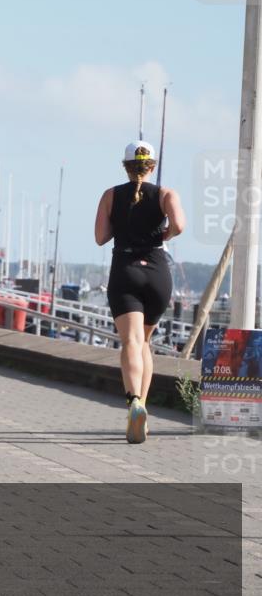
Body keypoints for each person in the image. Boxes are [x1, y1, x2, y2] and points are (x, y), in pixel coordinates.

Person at [94, 140, 185, 444]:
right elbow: (180, 226)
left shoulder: (111, 195)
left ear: (125, 166)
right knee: (145, 342)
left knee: (131, 342)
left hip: (126, 269)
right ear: (152, 166)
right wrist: (162, 233)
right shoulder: (166, 194)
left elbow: (100, 237)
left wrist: (123, 225)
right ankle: (142, 411)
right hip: (157, 273)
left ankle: (133, 401)